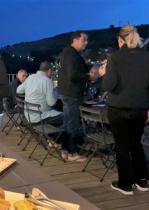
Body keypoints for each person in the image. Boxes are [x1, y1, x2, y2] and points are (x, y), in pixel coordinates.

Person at [100, 25, 149, 195]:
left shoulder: (114, 57)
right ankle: (142, 180)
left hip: (118, 108)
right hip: (140, 108)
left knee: (122, 146)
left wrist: (103, 74)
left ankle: (125, 184)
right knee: (136, 143)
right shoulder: (148, 57)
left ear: (120, 40)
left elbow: (109, 85)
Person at [58, 31, 89, 161]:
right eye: (84, 40)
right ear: (75, 40)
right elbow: (73, 75)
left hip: (67, 93)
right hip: (72, 94)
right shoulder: (71, 54)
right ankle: (72, 153)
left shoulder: (67, 52)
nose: (86, 43)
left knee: (67, 122)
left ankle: (64, 148)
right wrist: (88, 76)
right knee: (72, 124)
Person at [16, 61, 63, 126]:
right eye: (51, 71)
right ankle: (59, 135)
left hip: (28, 116)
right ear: (49, 70)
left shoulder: (30, 77)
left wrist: (29, 90)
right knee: (66, 115)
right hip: (40, 118)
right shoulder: (47, 81)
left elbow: (18, 90)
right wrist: (56, 93)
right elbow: (51, 103)